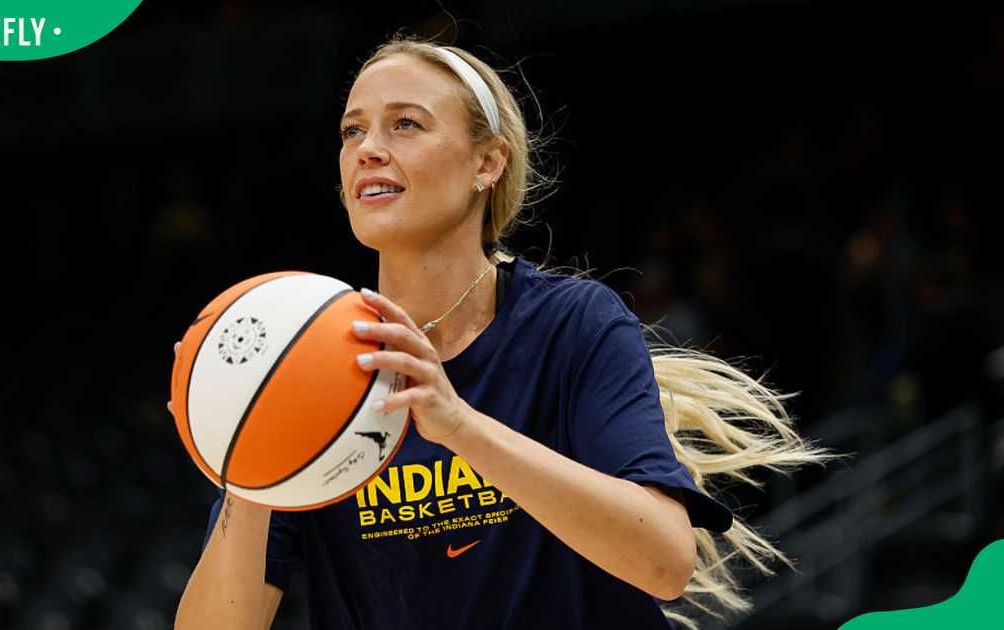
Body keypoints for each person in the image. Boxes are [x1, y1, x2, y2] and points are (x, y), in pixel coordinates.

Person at [173, 35, 838, 630]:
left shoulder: (574, 323)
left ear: (487, 163)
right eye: (352, 131)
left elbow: (665, 563)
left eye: (406, 124)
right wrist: (243, 457)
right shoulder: (308, 359)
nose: (367, 148)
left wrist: (459, 425)